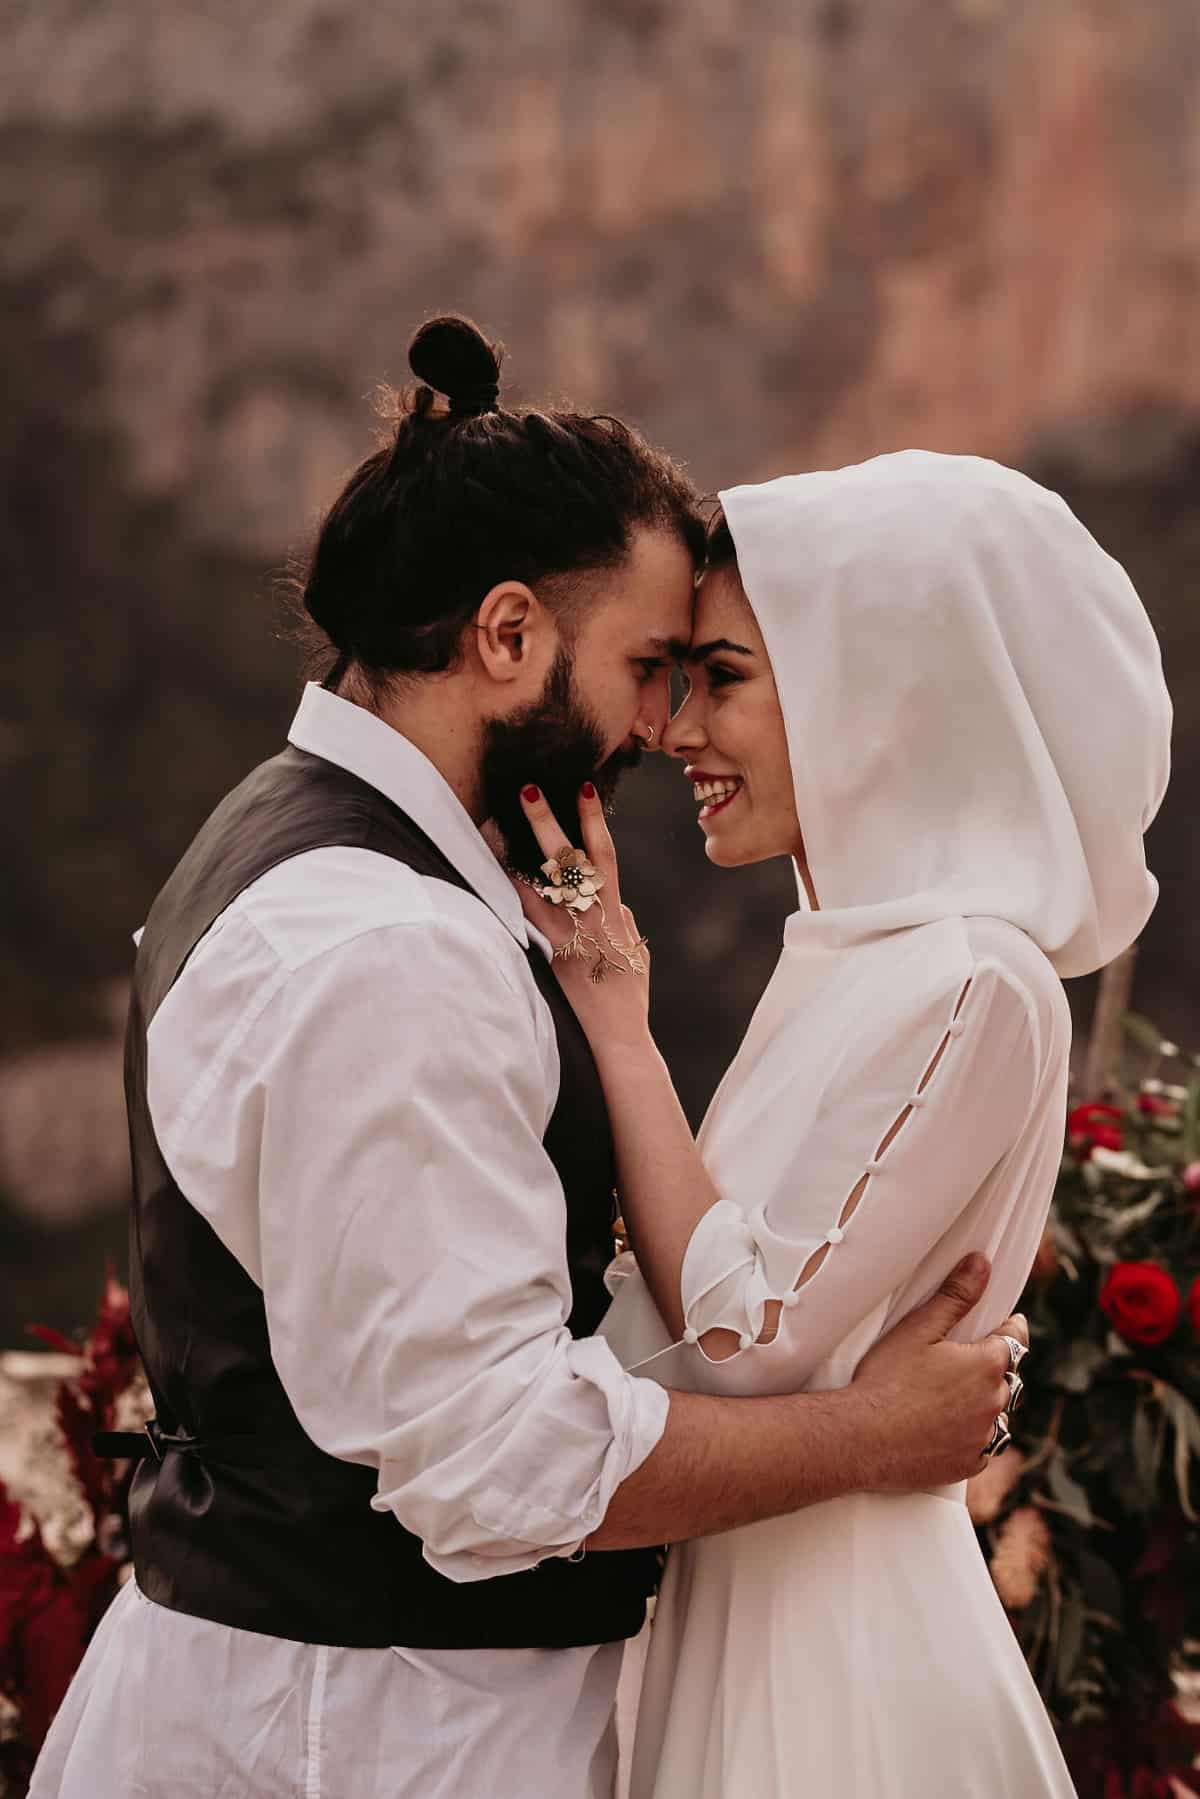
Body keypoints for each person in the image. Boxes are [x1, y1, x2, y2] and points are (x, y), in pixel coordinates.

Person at [32, 331, 1025, 1799]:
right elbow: (496, 1459)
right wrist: (867, 1438)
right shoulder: (391, 947)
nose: (657, 727)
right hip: (369, 1739)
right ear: (506, 635)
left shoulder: (290, 847)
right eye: (645, 667)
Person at [513, 450, 1172, 1798]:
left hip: (838, 1658)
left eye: (727, 679)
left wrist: (621, 1027)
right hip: (743, 1599)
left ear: (881, 684)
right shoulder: (854, 957)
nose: (678, 731)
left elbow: (744, 1341)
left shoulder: (975, 980)